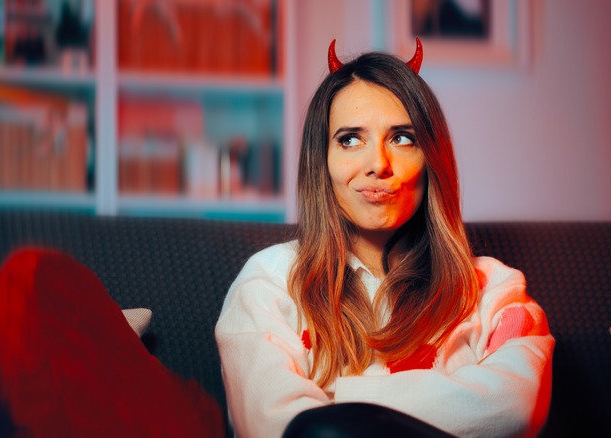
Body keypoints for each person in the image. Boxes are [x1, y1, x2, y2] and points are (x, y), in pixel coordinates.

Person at [215, 39, 554, 438]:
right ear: (320, 160)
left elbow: (514, 409)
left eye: (402, 138)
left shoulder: (495, 291)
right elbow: (280, 428)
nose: (378, 164)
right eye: (350, 139)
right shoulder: (268, 282)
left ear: (432, 159)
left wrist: (336, 399)